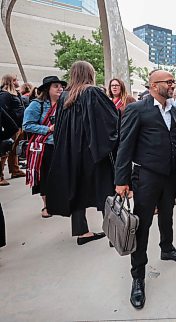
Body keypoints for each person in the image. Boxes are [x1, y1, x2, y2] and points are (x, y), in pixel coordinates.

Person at [114, 69, 176, 310]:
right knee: (143, 224)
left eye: (173, 81)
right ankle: (138, 275)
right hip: (145, 176)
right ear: (154, 85)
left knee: (167, 215)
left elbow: (170, 137)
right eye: (169, 82)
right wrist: (121, 180)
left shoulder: (172, 109)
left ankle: (167, 249)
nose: (172, 85)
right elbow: (124, 146)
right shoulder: (137, 109)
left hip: (169, 173)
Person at [46, 61, 118, 245]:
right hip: (93, 152)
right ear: (89, 74)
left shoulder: (65, 96)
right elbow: (110, 120)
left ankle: (81, 232)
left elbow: (60, 128)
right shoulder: (92, 92)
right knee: (105, 190)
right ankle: (113, 233)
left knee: (77, 190)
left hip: (71, 154)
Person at [23, 76, 66, 218]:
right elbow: (27, 125)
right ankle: (47, 206)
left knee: (61, 175)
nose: (60, 88)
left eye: (61, 86)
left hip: (61, 145)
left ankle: (60, 202)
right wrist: (48, 129)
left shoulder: (65, 103)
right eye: (56, 86)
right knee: (44, 177)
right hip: (44, 147)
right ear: (48, 89)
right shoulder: (37, 104)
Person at [0, 73, 25, 186]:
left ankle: (14, 170)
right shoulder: (5, 95)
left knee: (14, 150)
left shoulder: (14, 94)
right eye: (15, 80)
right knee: (4, 150)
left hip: (18, 125)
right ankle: (0, 176)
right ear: (10, 81)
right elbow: (3, 112)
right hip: (11, 126)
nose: (17, 81)